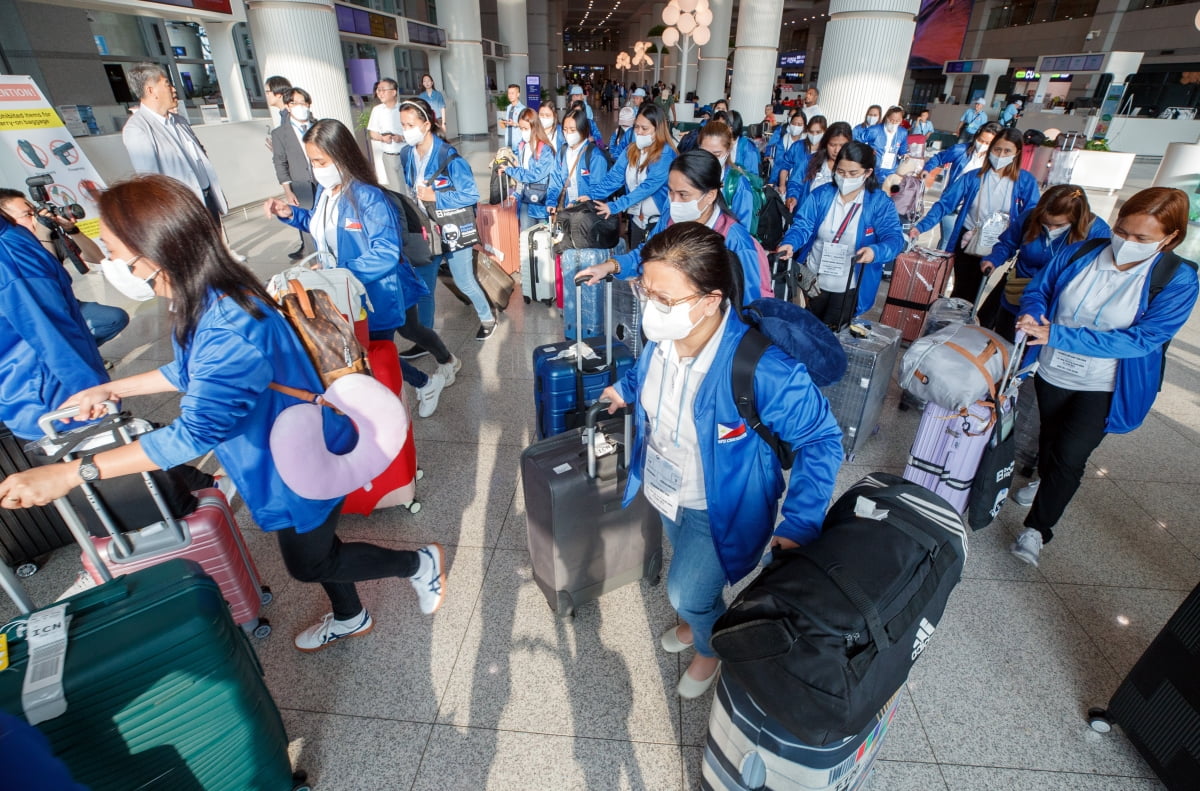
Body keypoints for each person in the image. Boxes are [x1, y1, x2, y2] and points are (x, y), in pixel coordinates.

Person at [0, 174, 447, 651]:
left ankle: (420, 564)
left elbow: (189, 436)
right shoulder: (206, 297)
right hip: (281, 453)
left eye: (114, 251)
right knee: (313, 547)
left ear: (152, 253)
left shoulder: (227, 323)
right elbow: (189, 372)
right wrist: (112, 387)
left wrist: (73, 473)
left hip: (303, 461)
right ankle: (350, 615)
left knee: (309, 562)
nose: (109, 262)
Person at [597, 222, 843, 697]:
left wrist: (801, 521)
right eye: (645, 291)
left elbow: (821, 438)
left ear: (711, 300)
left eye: (663, 299)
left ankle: (709, 646)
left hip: (721, 505)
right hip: (667, 487)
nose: (651, 308)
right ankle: (697, 618)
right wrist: (625, 390)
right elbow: (645, 371)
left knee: (683, 590)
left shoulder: (762, 368)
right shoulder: (663, 336)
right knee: (689, 578)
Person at [1008, 187, 1198, 567]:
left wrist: (1059, 334)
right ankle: (1046, 480)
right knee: (1050, 436)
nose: (1127, 243)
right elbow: (1040, 290)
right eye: (1123, 231)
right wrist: (1032, 313)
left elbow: (1145, 338)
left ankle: (1037, 529)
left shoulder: (1177, 278)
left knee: (1071, 454)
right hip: (1054, 368)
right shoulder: (1083, 251)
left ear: (1171, 237)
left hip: (1106, 382)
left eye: (1141, 238)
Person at [265, 118, 461, 416]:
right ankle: (430, 376)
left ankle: (426, 381)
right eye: (313, 162)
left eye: (321, 161)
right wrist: (289, 213)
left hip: (374, 292)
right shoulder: (325, 193)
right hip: (343, 290)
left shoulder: (369, 197)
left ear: (341, 156)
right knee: (376, 345)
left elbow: (385, 252)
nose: (316, 168)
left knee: (373, 349)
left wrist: (338, 272)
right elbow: (320, 227)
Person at [579, 150, 770, 303]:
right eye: (671, 192)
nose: (674, 201)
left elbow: (750, 305)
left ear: (710, 195)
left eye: (683, 195)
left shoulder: (735, 240)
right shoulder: (670, 220)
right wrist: (610, 266)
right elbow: (648, 254)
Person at [0, 197, 108, 440]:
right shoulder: (9, 252)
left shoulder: (13, 239)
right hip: (57, 401)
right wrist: (89, 390)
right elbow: (48, 331)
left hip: (35, 394)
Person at [398, 97, 498, 340]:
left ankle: (487, 317)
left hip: (453, 225)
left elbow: (471, 194)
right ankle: (425, 337)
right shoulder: (406, 155)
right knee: (425, 287)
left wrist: (437, 196)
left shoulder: (449, 156)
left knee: (463, 281)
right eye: (402, 125)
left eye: (410, 125)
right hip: (427, 230)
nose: (406, 131)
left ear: (426, 124)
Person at [777, 141, 906, 326]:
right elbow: (802, 226)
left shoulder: (879, 203)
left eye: (853, 173)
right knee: (801, 331)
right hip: (811, 281)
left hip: (848, 287)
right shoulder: (821, 195)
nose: (846, 178)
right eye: (841, 172)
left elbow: (894, 239)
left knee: (833, 338)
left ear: (868, 172)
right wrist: (790, 242)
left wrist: (875, 251)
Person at [911, 127, 1041, 302]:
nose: (1001, 155)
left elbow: (1032, 215)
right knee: (961, 290)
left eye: (1007, 150)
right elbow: (945, 204)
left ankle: (965, 324)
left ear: (1017, 153)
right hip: (968, 240)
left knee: (976, 291)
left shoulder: (1025, 181)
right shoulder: (972, 177)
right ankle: (952, 325)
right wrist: (921, 227)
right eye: (997, 149)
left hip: (998, 245)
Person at [0, 189, 128, 350]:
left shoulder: (48, 235)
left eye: (35, 212)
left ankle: (84, 353)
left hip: (65, 305)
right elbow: (46, 279)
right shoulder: (8, 253)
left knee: (114, 318)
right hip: (35, 316)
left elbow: (97, 258)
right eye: (27, 214)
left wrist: (72, 231)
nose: (37, 218)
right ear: (7, 221)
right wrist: (43, 235)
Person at [980, 185, 1111, 340]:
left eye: (1059, 225)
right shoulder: (1030, 218)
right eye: (1045, 222)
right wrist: (993, 259)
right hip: (1018, 294)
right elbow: (1008, 243)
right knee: (1002, 342)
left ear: (1076, 219)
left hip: (1055, 304)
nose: (1050, 228)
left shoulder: (1097, 232)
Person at [122, 62, 228, 223]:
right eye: (167, 84)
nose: (173, 89)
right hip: (181, 211)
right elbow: (150, 180)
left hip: (207, 200)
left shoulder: (180, 121)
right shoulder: (138, 128)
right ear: (151, 90)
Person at [584, 103, 678, 248]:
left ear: (657, 129)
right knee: (637, 262)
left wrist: (615, 206)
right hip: (636, 220)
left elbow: (646, 188)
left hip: (658, 222)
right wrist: (591, 195)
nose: (639, 132)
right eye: (636, 127)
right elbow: (614, 178)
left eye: (644, 128)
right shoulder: (631, 150)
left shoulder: (665, 154)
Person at [271, 87, 318, 260]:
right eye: (294, 103)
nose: (300, 106)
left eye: (303, 103)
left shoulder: (318, 126)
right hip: (300, 186)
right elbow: (280, 162)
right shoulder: (280, 133)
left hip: (322, 182)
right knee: (307, 224)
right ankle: (315, 261)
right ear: (288, 106)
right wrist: (288, 191)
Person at [500, 108, 557, 231]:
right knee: (525, 236)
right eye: (521, 128)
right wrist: (517, 193)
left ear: (535, 127)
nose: (523, 132)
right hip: (526, 199)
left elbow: (535, 175)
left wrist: (510, 170)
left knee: (543, 240)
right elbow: (522, 175)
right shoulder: (522, 147)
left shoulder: (545, 150)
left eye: (526, 128)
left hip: (542, 201)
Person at [546, 108, 611, 212]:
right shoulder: (562, 152)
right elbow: (555, 181)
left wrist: (577, 203)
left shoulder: (594, 156)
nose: (568, 134)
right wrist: (551, 202)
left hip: (589, 215)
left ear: (583, 129)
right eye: (565, 129)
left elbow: (598, 189)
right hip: (568, 210)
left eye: (572, 130)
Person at [698, 121, 757, 232]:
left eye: (717, 154)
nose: (710, 158)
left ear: (728, 151)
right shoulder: (688, 176)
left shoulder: (738, 183)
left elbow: (743, 231)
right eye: (704, 152)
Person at [786, 121, 853, 210]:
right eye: (832, 145)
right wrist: (793, 196)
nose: (837, 150)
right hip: (807, 212)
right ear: (826, 143)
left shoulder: (853, 169)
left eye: (842, 145)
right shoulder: (810, 161)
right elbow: (796, 181)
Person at [367, 78, 405, 190]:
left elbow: (414, 131)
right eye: (378, 90)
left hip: (405, 153)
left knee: (410, 187)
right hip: (389, 155)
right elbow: (372, 133)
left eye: (383, 90)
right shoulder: (377, 110)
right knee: (396, 189)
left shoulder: (403, 109)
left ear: (394, 92)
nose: (380, 93)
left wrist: (401, 137)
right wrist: (382, 138)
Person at [862, 105, 909, 181]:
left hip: (891, 171)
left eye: (897, 121)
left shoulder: (902, 132)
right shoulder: (874, 130)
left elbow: (902, 150)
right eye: (891, 120)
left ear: (901, 120)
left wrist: (905, 155)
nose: (894, 123)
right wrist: (867, 150)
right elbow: (858, 142)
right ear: (887, 117)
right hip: (873, 170)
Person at [768, 108, 809, 188]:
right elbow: (778, 163)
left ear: (804, 127)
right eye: (794, 123)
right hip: (782, 181)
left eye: (799, 124)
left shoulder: (807, 143)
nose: (796, 126)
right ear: (790, 124)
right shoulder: (784, 140)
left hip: (799, 184)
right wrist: (773, 182)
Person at [499, 84, 526, 152]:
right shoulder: (509, 108)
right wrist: (505, 123)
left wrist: (515, 124)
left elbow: (526, 125)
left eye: (512, 93)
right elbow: (509, 123)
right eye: (509, 93)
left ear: (518, 94)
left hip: (518, 144)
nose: (510, 95)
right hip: (508, 143)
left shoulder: (522, 109)